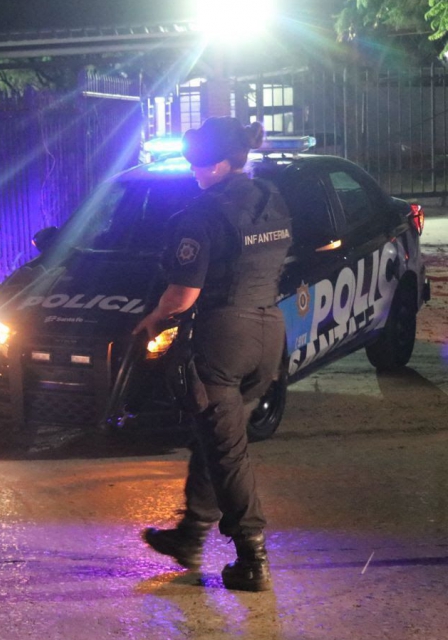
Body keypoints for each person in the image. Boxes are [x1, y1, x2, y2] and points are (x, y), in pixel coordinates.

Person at [133, 117, 292, 592]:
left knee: (228, 452)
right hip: (269, 331)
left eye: (198, 163)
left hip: (223, 337)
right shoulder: (270, 198)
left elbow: (183, 294)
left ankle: (252, 559)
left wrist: (153, 319)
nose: (194, 171)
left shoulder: (201, 214)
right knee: (216, 433)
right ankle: (190, 534)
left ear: (219, 164)